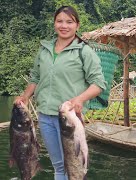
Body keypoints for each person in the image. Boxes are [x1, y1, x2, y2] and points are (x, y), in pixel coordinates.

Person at [14, 6, 106, 180]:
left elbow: (98, 84)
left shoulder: (84, 51)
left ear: (77, 25)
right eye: (60, 21)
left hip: (69, 119)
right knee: (58, 165)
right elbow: (35, 77)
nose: (64, 25)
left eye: (69, 22)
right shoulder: (44, 49)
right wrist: (25, 96)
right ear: (54, 23)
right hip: (45, 116)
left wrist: (79, 99)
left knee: (75, 165)